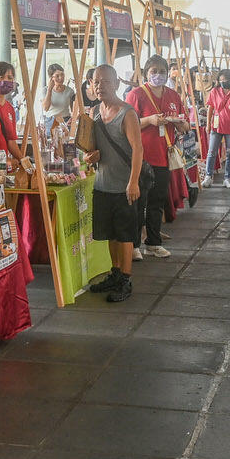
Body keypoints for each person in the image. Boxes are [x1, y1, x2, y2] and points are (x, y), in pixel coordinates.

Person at [80, 65, 143, 303]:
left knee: (125, 235)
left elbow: (138, 148)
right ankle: (115, 273)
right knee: (109, 234)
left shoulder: (127, 113)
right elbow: (92, 150)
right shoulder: (94, 113)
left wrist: (133, 182)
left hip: (125, 186)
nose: (99, 86)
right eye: (95, 82)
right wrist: (89, 157)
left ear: (116, 83)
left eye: (105, 81)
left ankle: (126, 279)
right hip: (103, 184)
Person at [126, 55, 187, 259]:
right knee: (138, 203)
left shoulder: (173, 96)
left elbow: (185, 124)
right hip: (141, 157)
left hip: (164, 157)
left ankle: (153, 242)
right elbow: (127, 124)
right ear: (146, 74)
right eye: (154, 71)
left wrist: (179, 124)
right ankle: (134, 245)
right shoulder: (136, 95)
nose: (158, 75)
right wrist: (149, 120)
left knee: (156, 202)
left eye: (162, 71)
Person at [205, 69, 230, 188]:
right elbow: (210, 108)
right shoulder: (214, 91)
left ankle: (227, 178)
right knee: (211, 152)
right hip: (216, 125)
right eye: (221, 80)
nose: (223, 82)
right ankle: (208, 176)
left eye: (225, 80)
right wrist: (208, 124)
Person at [37, 63, 75, 141]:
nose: (60, 78)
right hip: (50, 121)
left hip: (66, 121)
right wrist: (49, 89)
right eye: (57, 76)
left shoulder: (70, 91)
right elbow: (46, 108)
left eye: (62, 75)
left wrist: (72, 119)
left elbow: (73, 110)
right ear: (51, 78)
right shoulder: (45, 90)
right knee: (50, 145)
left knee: (66, 145)